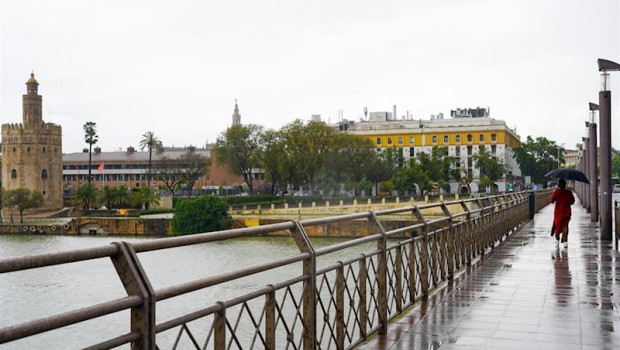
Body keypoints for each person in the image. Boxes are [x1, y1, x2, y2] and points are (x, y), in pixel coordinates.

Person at [550, 178, 575, 248]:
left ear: (558, 185)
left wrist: (555, 192)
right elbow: (572, 201)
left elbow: (551, 200)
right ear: (565, 185)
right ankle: (565, 242)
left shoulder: (557, 192)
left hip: (558, 213)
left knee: (557, 226)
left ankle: (557, 242)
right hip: (566, 212)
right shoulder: (569, 192)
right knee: (565, 226)